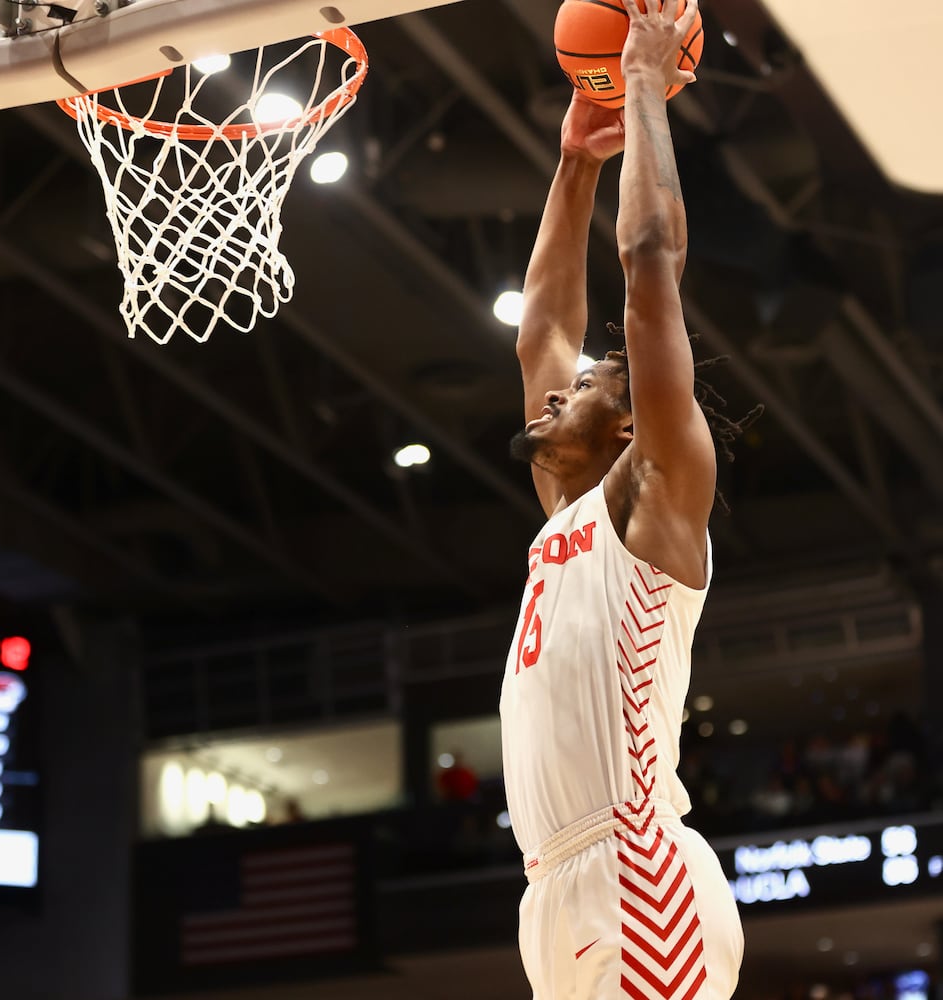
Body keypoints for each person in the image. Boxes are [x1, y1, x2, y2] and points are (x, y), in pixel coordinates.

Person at [499, 1, 746, 996]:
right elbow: (541, 335)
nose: (558, 388)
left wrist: (643, 84)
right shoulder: (565, 518)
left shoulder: (653, 505)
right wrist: (575, 162)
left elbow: (650, 266)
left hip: (634, 868)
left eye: (592, 385)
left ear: (635, 422)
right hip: (555, 886)